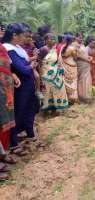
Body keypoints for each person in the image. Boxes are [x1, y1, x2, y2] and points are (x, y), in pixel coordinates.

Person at [2, 23, 40, 155]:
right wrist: (31, 64)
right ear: (14, 36)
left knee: (30, 109)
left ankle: (30, 134)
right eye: (23, 35)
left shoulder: (17, 47)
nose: (25, 38)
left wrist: (29, 63)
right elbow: (22, 68)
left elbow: (24, 64)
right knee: (18, 113)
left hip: (27, 84)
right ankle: (14, 143)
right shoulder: (8, 48)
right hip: (21, 87)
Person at [0, 26, 20, 180]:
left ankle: (2, 154)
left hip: (5, 90)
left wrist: (12, 74)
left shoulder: (2, 47)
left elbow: (6, 66)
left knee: (5, 122)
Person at [38, 33, 69, 114]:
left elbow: (57, 61)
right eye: (50, 39)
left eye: (53, 38)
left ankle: (56, 108)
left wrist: (60, 68)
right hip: (46, 74)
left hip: (56, 73)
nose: (52, 40)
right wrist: (41, 76)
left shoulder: (55, 49)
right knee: (48, 91)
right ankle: (47, 109)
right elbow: (39, 63)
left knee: (58, 90)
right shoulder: (43, 49)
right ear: (45, 40)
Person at [59, 34, 78, 104]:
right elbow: (75, 58)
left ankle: (66, 98)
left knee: (65, 82)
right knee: (72, 82)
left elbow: (61, 56)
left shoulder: (62, 47)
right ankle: (72, 99)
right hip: (72, 66)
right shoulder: (72, 48)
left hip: (64, 66)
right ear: (71, 40)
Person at [73, 33, 92, 103]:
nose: (81, 39)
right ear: (76, 37)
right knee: (82, 80)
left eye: (82, 38)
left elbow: (85, 54)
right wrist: (86, 59)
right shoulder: (74, 45)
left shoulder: (82, 45)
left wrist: (88, 57)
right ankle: (81, 97)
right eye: (80, 38)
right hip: (81, 64)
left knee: (87, 80)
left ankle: (86, 96)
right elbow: (76, 56)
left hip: (86, 64)